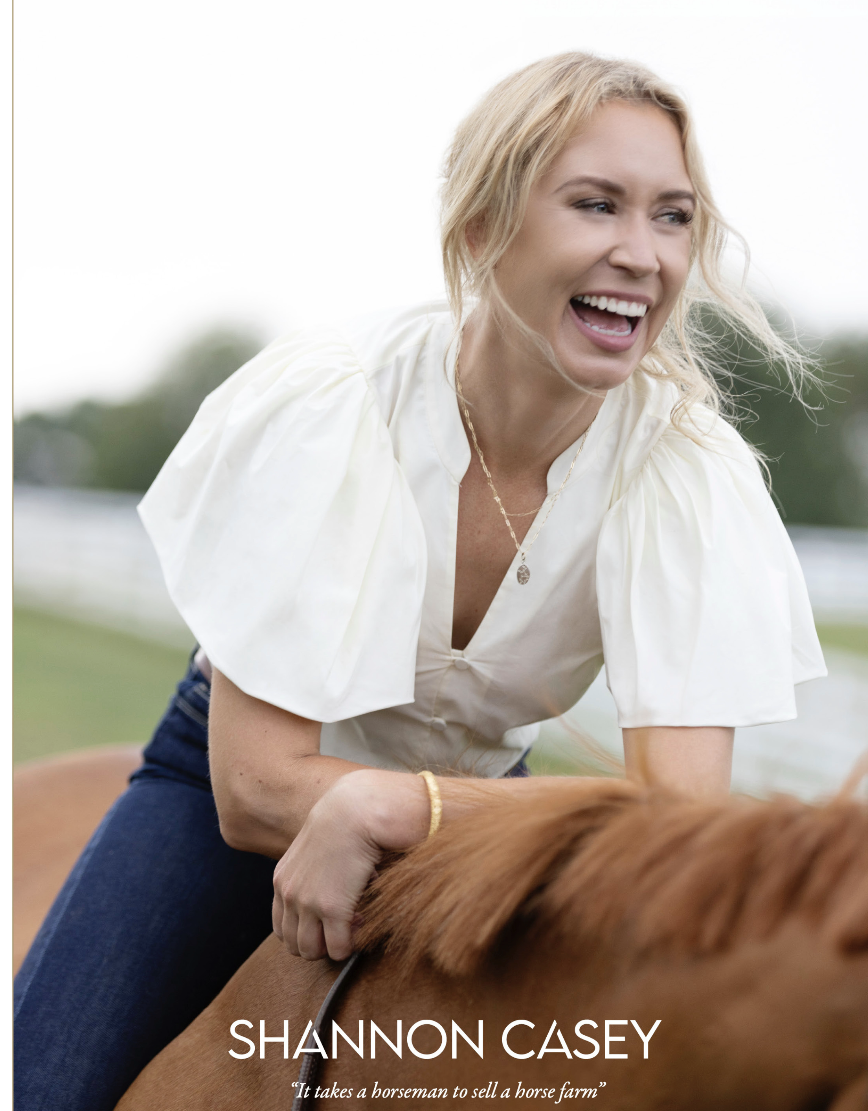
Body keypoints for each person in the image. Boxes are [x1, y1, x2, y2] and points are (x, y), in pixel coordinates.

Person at [14, 51, 826, 1111]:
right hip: (227, 806)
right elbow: (259, 787)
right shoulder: (336, 403)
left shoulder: (687, 472)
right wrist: (384, 801)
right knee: (46, 1086)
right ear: (485, 225)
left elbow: (676, 817)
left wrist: (405, 809)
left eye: (672, 217)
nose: (642, 253)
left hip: (484, 810)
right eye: (596, 205)